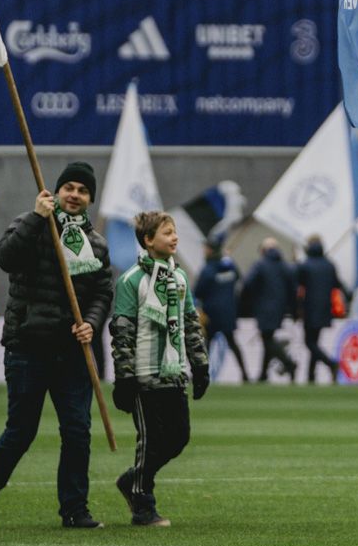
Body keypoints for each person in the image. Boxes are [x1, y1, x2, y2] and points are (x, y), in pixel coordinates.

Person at [0, 162, 115, 530]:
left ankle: (74, 509)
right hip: (27, 347)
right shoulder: (30, 224)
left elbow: (102, 292)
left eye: (83, 191)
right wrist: (37, 218)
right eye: (69, 187)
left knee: (78, 431)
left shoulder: (96, 243)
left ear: (90, 200)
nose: (75, 195)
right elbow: (5, 258)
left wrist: (92, 324)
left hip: (72, 352)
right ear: (56, 190)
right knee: (21, 431)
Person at [109, 211, 207, 527]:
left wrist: (200, 365)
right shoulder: (130, 281)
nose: (174, 238)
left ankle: (132, 479)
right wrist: (124, 377)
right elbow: (122, 331)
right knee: (150, 440)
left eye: (174, 231)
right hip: (143, 376)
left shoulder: (179, 278)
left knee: (179, 437)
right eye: (167, 233)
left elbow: (190, 324)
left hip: (173, 373)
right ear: (148, 241)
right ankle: (142, 504)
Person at [239, 239, 299, 382]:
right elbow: (293, 289)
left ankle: (289, 363)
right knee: (268, 337)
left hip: (263, 308)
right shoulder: (285, 266)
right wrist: (294, 309)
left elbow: (247, 284)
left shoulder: (260, 265)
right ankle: (263, 374)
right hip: (280, 309)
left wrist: (247, 303)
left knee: (267, 339)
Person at [193, 239, 250, 383]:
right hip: (228, 312)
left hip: (211, 313)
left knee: (206, 346)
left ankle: (200, 375)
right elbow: (238, 277)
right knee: (233, 343)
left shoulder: (208, 269)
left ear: (210, 250)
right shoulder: (229, 265)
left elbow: (198, 291)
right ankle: (245, 375)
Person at [295, 235, 343, 384]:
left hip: (309, 309)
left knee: (309, 342)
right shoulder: (329, 265)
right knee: (314, 342)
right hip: (325, 309)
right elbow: (337, 284)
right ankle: (311, 375)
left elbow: (298, 287)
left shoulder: (305, 265)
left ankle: (331, 363)